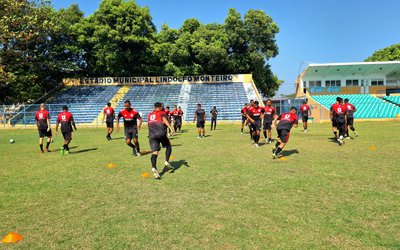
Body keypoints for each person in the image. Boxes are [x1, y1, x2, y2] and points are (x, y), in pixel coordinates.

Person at [148, 102, 176, 179]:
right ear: (160, 107)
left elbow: (149, 125)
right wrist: (170, 128)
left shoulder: (150, 115)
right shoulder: (161, 112)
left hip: (152, 135)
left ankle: (154, 167)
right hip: (160, 133)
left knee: (154, 152)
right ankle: (167, 161)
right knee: (168, 146)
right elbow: (164, 119)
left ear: (154, 107)